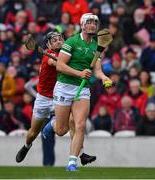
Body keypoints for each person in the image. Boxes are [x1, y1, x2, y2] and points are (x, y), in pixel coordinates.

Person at [42, 13, 113, 171]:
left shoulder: (96, 46)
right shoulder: (71, 42)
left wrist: (104, 78)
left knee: (80, 125)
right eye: (89, 22)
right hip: (64, 86)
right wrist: (79, 73)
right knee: (61, 130)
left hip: (82, 90)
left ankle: (72, 162)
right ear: (82, 25)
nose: (93, 25)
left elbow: (97, 71)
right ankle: (52, 124)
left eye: (95, 23)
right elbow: (60, 66)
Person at [15, 31, 96, 166]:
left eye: (60, 39)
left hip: (59, 96)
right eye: (54, 40)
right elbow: (56, 64)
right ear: (48, 44)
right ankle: (26, 146)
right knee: (33, 132)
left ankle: (81, 154)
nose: (58, 41)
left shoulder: (67, 54)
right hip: (43, 99)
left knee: (72, 121)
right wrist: (72, 66)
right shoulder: (49, 55)